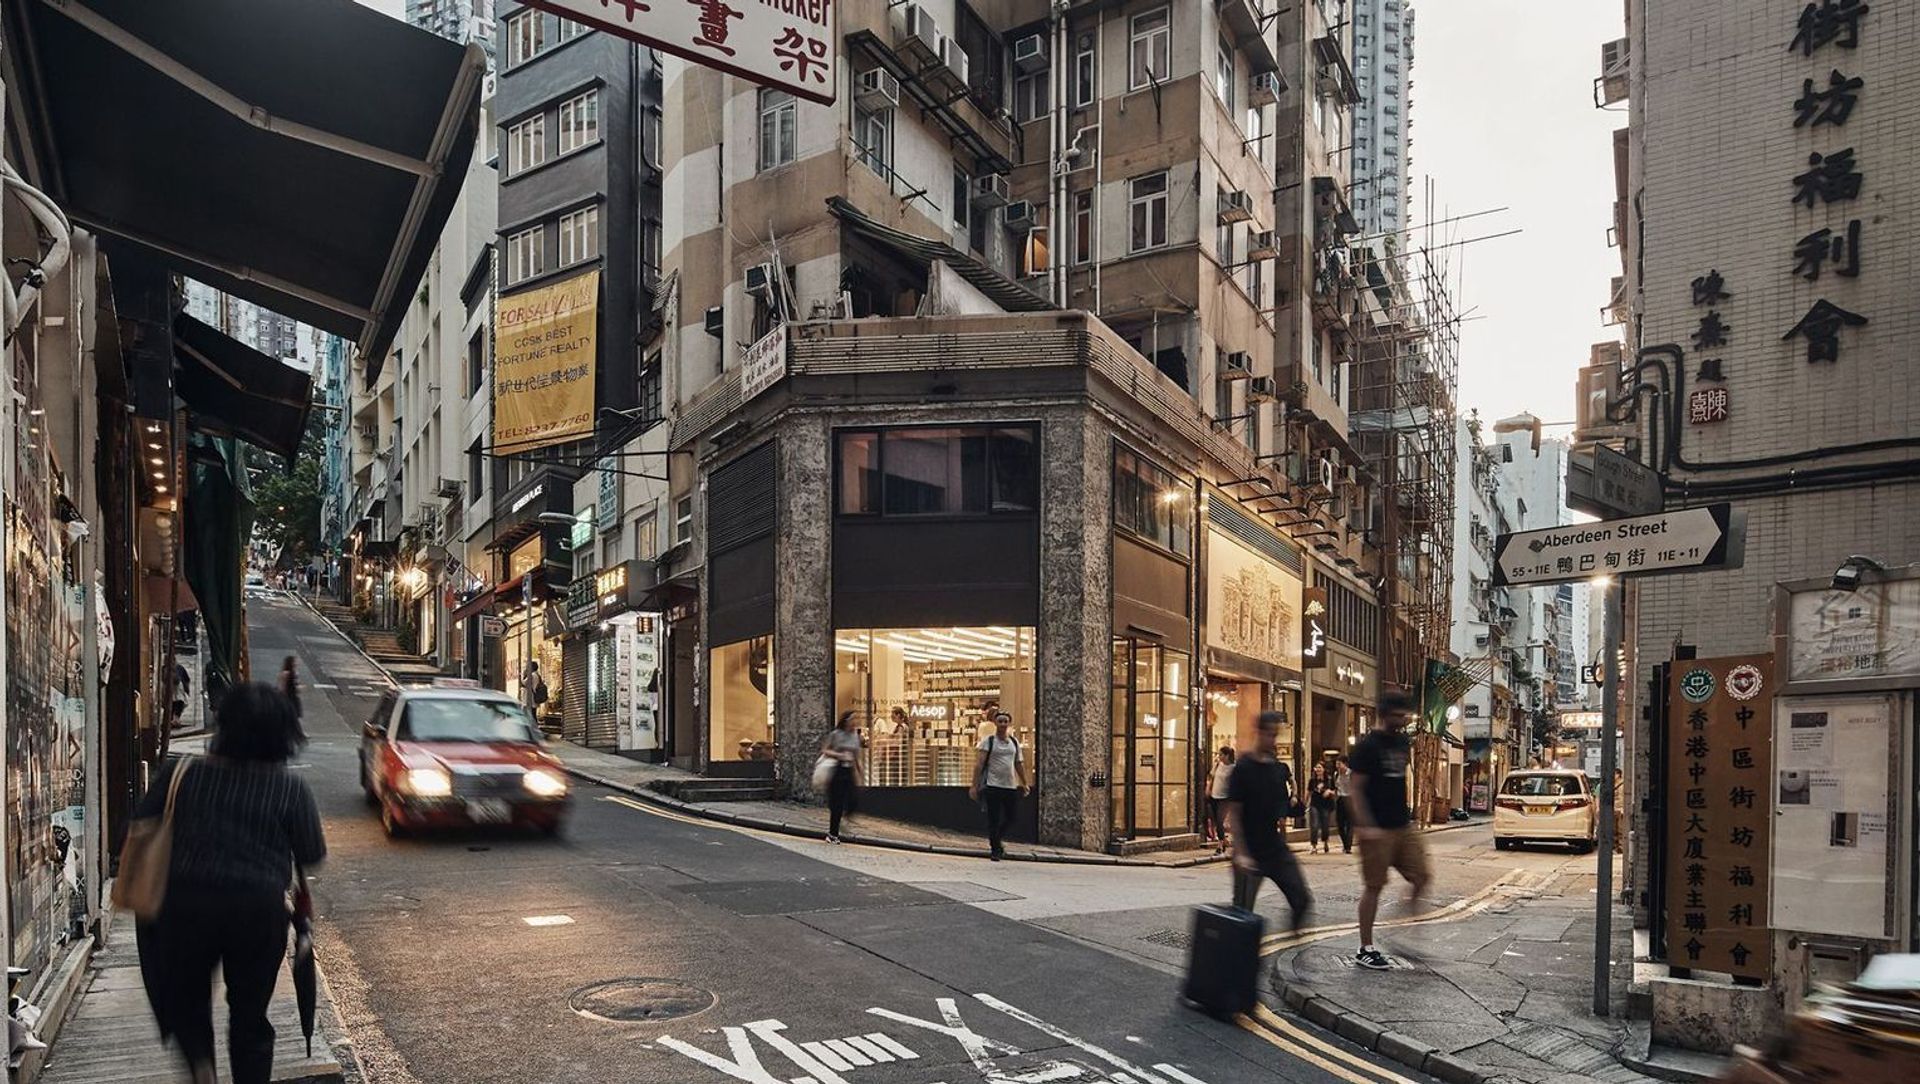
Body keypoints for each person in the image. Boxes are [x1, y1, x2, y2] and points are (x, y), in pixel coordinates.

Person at [138, 683, 326, 1084]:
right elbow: (311, 852)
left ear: (224, 725)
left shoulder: (182, 773)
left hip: (185, 902)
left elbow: (138, 825)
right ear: (283, 734)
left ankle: (201, 1065)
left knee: (188, 999)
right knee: (250, 1012)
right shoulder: (290, 788)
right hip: (258, 910)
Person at [1349, 692, 1431, 970]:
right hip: (1376, 829)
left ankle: (1401, 926)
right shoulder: (1367, 747)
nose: (1403, 719)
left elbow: (1399, 781)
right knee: (1373, 887)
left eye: (1405, 714)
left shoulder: (1402, 741)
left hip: (1402, 825)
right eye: (1398, 715)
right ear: (1384, 715)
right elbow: (1356, 789)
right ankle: (1365, 947)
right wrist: (1365, 826)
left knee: (1421, 875)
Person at [1226, 711, 1312, 930]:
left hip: (1273, 847)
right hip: (1249, 849)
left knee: (1301, 897)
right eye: (1269, 734)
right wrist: (1241, 853)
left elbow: (1277, 803)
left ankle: (1292, 934)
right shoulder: (1243, 767)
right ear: (1259, 732)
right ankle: (1238, 958)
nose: (1272, 740)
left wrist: (1292, 803)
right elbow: (1235, 812)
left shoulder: (1275, 767)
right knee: (1242, 915)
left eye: (1275, 735)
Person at [969, 711, 1029, 860]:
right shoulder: (988, 742)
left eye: (1005, 721)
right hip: (992, 785)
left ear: (1009, 724)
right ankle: (995, 850)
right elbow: (979, 764)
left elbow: (1018, 763)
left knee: (1011, 817)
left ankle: (996, 839)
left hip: (1010, 785)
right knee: (993, 818)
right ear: (995, 723)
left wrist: (1025, 782)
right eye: (1000, 721)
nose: (1003, 724)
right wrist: (974, 785)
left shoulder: (1014, 743)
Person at [821, 710, 862, 843]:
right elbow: (825, 750)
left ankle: (846, 819)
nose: (855, 722)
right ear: (846, 721)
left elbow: (856, 756)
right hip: (836, 769)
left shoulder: (855, 736)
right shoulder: (836, 734)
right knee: (836, 804)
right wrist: (838, 755)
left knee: (854, 800)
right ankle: (833, 834)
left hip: (849, 770)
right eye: (853, 719)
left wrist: (860, 773)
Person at [1206, 746, 1235, 854]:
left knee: (1219, 820)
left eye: (1221, 754)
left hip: (1226, 798)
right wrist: (1208, 788)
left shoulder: (1233, 767)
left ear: (1227, 755)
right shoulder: (1218, 764)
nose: (1219, 756)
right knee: (1216, 821)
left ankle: (1220, 845)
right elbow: (1211, 777)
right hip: (1214, 796)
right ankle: (1223, 842)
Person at [1308, 762, 1338, 854]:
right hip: (1314, 804)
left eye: (1320, 767)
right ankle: (1313, 846)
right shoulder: (1312, 780)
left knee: (1325, 825)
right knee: (1314, 825)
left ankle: (1325, 842)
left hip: (1326, 805)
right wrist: (1305, 803)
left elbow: (1336, 791)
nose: (1318, 769)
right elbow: (1308, 792)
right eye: (1316, 767)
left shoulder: (1329, 780)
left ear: (1324, 769)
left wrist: (1330, 792)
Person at [1333, 756, 1355, 853]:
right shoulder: (1336, 774)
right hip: (1340, 799)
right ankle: (1345, 844)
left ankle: (1348, 847)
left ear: (1344, 764)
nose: (1337, 766)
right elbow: (1336, 787)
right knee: (1340, 824)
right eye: (1336, 764)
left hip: (1351, 799)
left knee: (1350, 824)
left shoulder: (1352, 774)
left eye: (1339, 764)